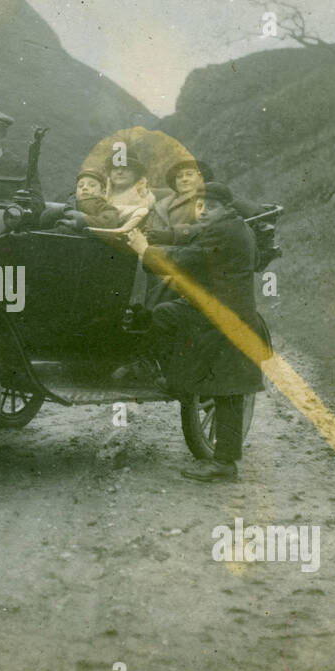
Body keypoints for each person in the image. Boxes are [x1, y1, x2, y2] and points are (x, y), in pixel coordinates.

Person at [124, 182, 270, 482]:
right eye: (200, 206)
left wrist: (144, 250)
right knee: (166, 314)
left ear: (226, 209)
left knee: (226, 392)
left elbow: (181, 261)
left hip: (221, 322)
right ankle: (167, 373)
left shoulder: (223, 232)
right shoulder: (238, 228)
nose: (202, 213)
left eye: (210, 208)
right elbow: (195, 245)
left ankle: (224, 463)